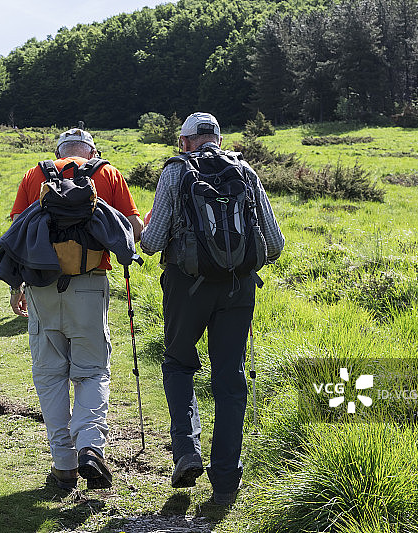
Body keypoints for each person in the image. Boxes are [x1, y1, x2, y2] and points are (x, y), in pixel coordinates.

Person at [139, 112, 284, 505]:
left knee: (178, 363)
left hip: (186, 286)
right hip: (238, 288)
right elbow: (274, 244)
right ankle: (225, 481)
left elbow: (152, 243)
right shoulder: (245, 171)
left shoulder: (176, 171)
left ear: (184, 141)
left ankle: (187, 451)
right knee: (230, 379)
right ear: (219, 139)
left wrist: (144, 231)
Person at [6, 128, 143, 491]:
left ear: (59, 152)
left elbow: (18, 233)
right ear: (92, 151)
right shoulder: (108, 173)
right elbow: (133, 228)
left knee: (50, 375)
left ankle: (64, 466)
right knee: (93, 371)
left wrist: (16, 287)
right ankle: (90, 447)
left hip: (41, 286)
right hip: (90, 284)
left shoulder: (35, 174)